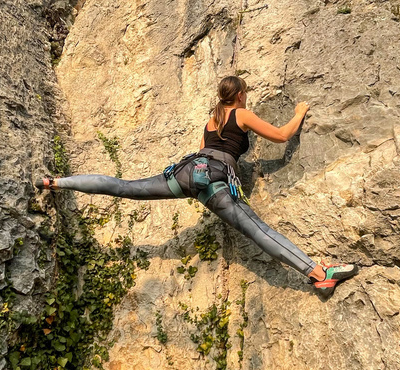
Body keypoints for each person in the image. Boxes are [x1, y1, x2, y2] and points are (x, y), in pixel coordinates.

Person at [35, 75, 358, 293]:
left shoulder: (212, 120)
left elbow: (213, 148)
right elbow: (282, 135)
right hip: (215, 183)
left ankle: (56, 182)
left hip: (185, 175)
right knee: (258, 230)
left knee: (125, 187)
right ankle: (319, 273)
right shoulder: (240, 115)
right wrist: (299, 111)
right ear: (241, 95)